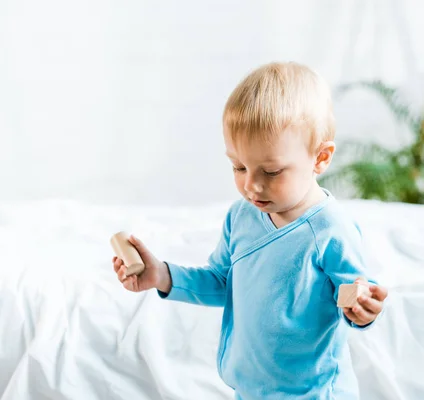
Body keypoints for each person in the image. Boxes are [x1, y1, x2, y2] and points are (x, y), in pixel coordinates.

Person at [112, 61, 388, 399]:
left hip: (312, 393)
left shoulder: (330, 229)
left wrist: (360, 303)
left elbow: (348, 291)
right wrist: (162, 275)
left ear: (320, 158)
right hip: (251, 389)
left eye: (271, 172)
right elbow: (223, 282)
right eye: (239, 167)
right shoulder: (241, 217)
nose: (252, 186)